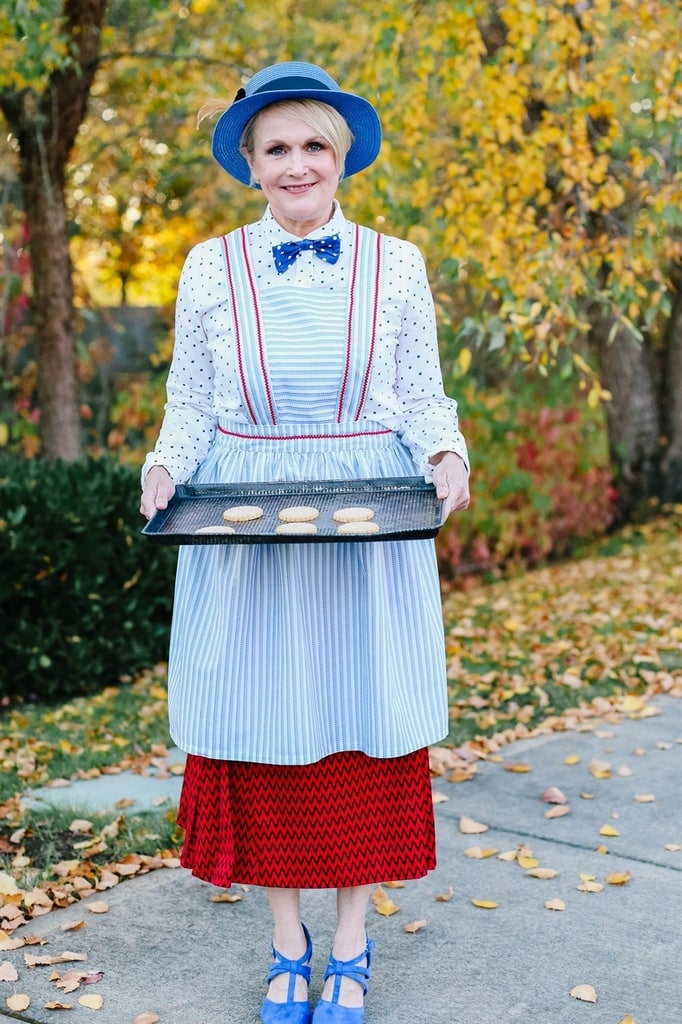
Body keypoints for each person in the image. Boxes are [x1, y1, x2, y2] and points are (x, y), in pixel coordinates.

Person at [140, 61, 470, 1024]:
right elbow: (191, 403)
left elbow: (419, 393)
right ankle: (288, 944)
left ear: (343, 159)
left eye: (313, 145)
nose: (296, 165)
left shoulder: (396, 264)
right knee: (261, 724)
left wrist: (444, 450)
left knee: (362, 720)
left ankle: (355, 942)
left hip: (368, 519)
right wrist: (164, 467)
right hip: (245, 515)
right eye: (275, 147)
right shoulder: (208, 265)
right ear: (249, 163)